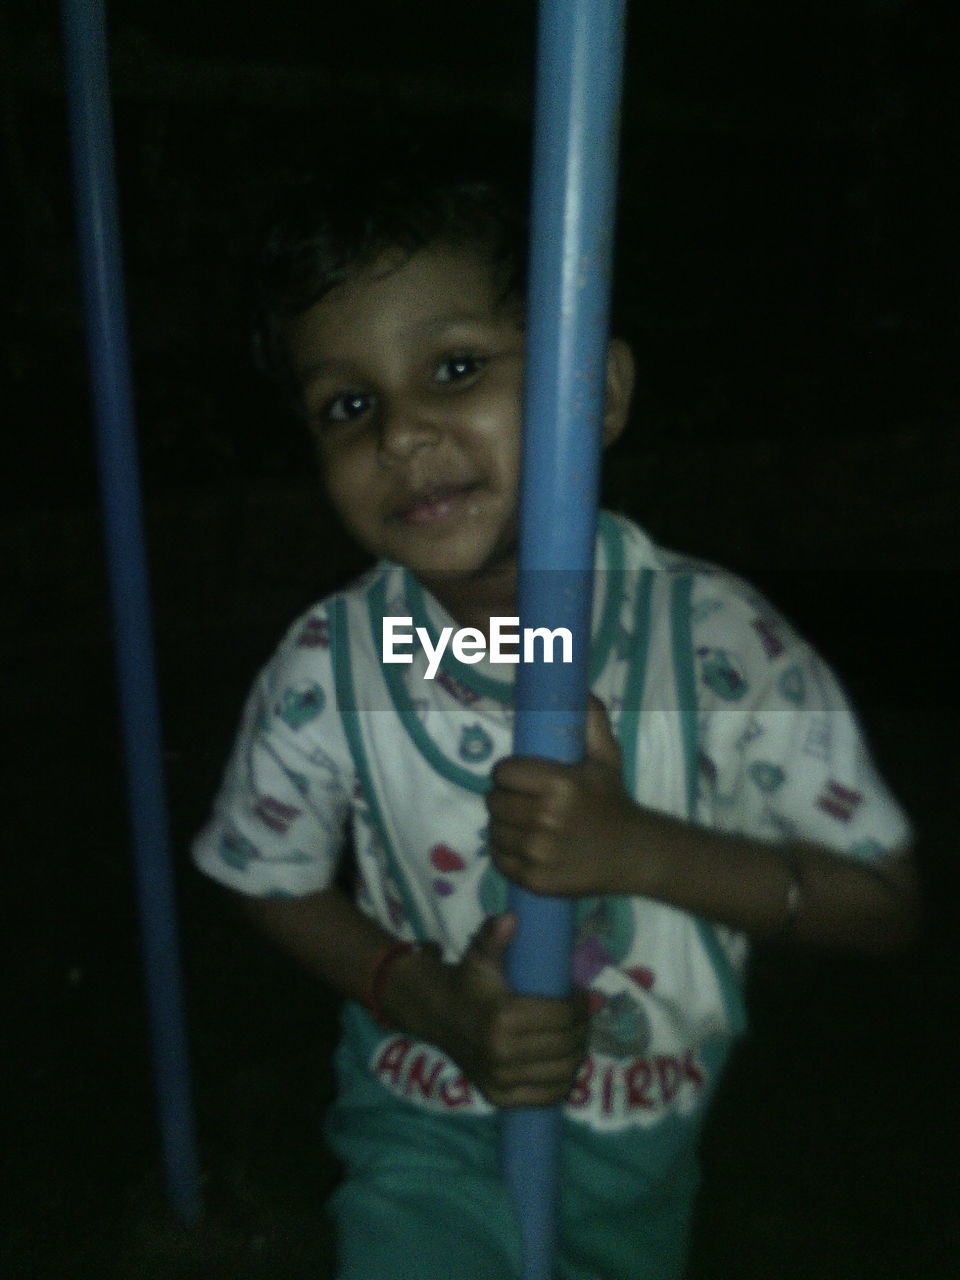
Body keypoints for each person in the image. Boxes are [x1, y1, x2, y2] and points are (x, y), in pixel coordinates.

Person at [192, 153, 918, 1280]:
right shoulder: (339, 665)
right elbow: (261, 868)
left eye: (457, 366)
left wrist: (641, 849)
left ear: (602, 388)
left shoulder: (713, 648)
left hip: (636, 1145)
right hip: (422, 1113)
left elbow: (879, 901)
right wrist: (420, 995)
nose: (399, 433)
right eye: (349, 403)